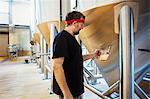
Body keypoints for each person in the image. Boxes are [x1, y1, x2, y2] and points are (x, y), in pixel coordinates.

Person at [52, 11, 100, 99]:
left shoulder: (72, 38)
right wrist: (66, 93)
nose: (82, 28)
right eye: (82, 24)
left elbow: (76, 58)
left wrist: (93, 55)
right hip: (69, 91)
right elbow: (57, 66)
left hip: (75, 88)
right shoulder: (62, 38)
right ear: (75, 23)